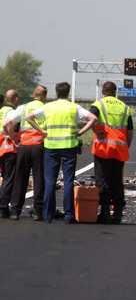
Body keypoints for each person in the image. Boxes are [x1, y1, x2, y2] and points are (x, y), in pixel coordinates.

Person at [25, 82, 97, 224]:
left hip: (51, 146)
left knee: (50, 181)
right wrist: (81, 132)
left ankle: (48, 215)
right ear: (68, 92)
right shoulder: (73, 107)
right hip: (69, 146)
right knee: (68, 181)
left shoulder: (48, 106)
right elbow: (93, 118)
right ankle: (69, 215)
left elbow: (29, 117)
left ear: (56, 92)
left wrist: (42, 131)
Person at [90, 81, 133, 224]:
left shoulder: (98, 104)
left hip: (103, 148)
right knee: (116, 181)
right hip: (120, 148)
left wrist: (98, 132)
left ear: (103, 91)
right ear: (116, 92)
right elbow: (130, 130)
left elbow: (90, 120)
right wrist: (126, 146)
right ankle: (118, 214)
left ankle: (104, 212)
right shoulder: (125, 107)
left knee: (102, 180)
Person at [3, 85, 48, 220]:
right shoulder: (46, 108)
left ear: (33, 94)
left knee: (20, 178)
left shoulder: (24, 107)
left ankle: (15, 210)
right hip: (39, 146)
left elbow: (8, 123)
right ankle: (37, 211)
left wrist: (14, 138)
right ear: (44, 96)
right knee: (39, 178)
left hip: (24, 145)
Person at [0, 90, 20, 219]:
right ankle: (3, 207)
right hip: (7, 145)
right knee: (9, 177)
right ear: (15, 99)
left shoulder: (1, 110)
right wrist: (14, 139)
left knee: (3, 176)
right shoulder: (11, 111)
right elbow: (10, 126)